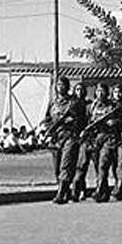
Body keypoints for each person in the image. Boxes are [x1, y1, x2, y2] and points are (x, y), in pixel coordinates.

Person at [43, 76, 86, 204]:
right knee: (57, 168)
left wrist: (73, 122)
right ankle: (66, 191)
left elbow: (83, 120)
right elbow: (47, 118)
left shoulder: (74, 102)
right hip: (56, 137)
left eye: (63, 85)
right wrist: (47, 128)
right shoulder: (53, 102)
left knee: (66, 165)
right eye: (58, 85)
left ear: (67, 87)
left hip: (70, 136)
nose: (60, 87)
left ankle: (61, 193)